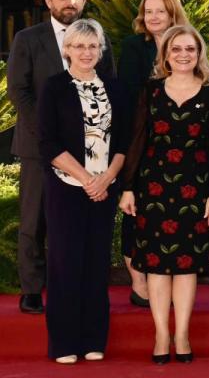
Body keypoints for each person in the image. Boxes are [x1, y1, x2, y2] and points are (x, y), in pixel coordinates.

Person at [119, 24, 209, 364]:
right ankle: (161, 333)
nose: (183, 55)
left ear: (199, 54)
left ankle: (182, 334)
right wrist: (127, 187)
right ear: (165, 54)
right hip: (153, 188)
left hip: (195, 191)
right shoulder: (149, 91)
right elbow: (137, 140)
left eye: (190, 49)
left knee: (186, 266)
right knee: (157, 265)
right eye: (176, 49)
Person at [8, 0, 113, 315]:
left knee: (74, 221)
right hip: (39, 147)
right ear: (48, 0)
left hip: (89, 151)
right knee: (34, 220)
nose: (71, 3)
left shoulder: (98, 37)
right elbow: (18, 91)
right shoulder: (27, 38)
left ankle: (71, 284)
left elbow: (107, 86)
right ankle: (32, 289)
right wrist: (47, 133)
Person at [38, 19, 130, 364]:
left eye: (92, 46)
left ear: (100, 50)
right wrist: (87, 178)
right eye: (79, 46)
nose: (86, 52)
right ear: (67, 50)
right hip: (66, 189)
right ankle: (63, 343)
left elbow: (123, 141)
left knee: (95, 264)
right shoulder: (55, 87)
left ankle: (94, 339)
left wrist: (106, 179)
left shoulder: (116, 88)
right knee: (65, 264)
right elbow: (48, 143)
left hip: (104, 190)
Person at [117, 0, 188, 308]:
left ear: (173, 13)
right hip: (141, 143)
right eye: (148, 11)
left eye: (160, 10)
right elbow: (130, 95)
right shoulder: (134, 47)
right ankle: (138, 281)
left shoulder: (187, 44)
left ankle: (171, 277)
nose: (153, 17)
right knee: (135, 213)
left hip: (181, 149)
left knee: (172, 215)